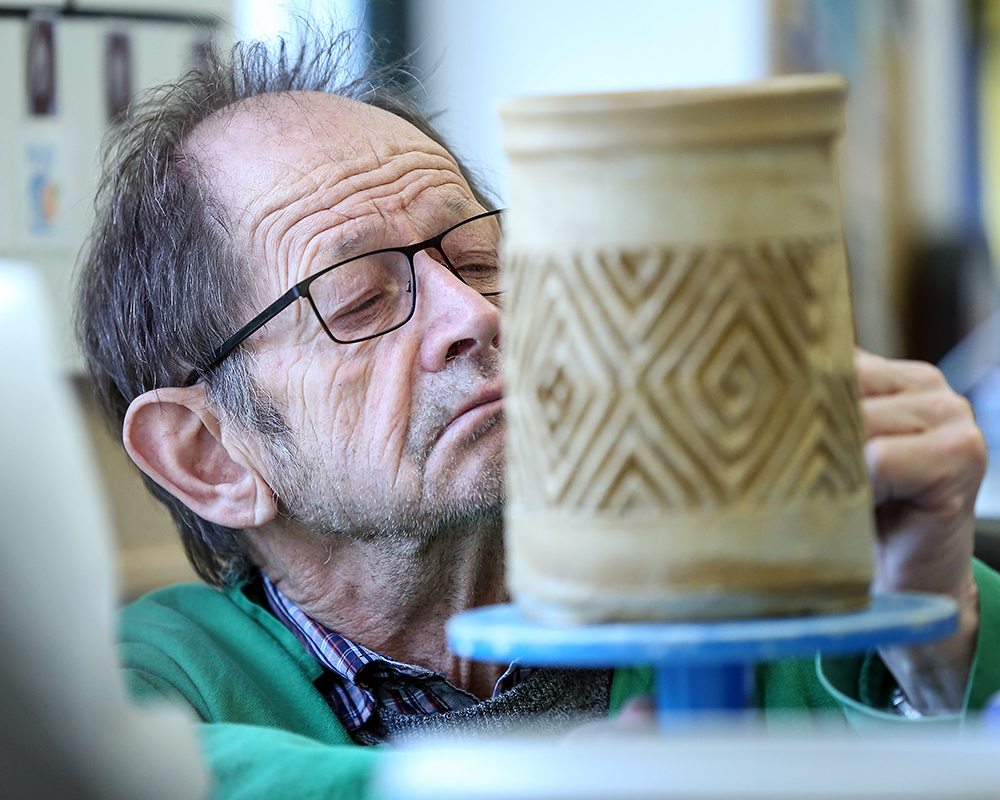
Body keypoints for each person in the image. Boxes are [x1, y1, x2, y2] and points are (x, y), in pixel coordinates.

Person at [75, 29, 1000, 799]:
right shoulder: (147, 688)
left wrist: (936, 635)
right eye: (357, 299)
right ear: (208, 456)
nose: (475, 315)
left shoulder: (774, 576)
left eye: (481, 259)